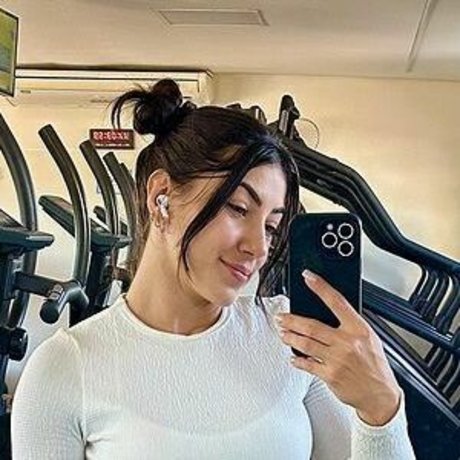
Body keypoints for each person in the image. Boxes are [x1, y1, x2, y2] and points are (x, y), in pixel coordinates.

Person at [11, 79, 415, 459]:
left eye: (271, 227)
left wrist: (381, 409)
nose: (259, 247)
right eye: (238, 208)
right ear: (161, 196)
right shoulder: (64, 368)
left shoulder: (292, 337)